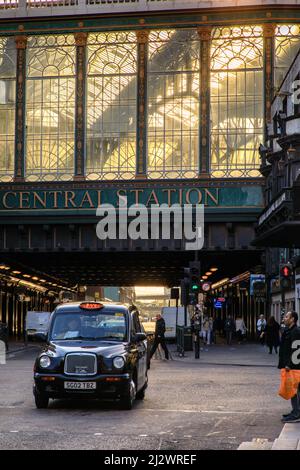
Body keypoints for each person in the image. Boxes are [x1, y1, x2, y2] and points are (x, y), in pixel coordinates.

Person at [279, 311, 300, 423]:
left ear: (292, 319)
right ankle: (295, 410)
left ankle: (297, 413)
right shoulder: (289, 330)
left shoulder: (295, 331)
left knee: (295, 389)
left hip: (294, 366)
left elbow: (296, 349)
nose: (284, 318)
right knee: (293, 389)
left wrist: (290, 364)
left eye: (286, 316)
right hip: (291, 365)